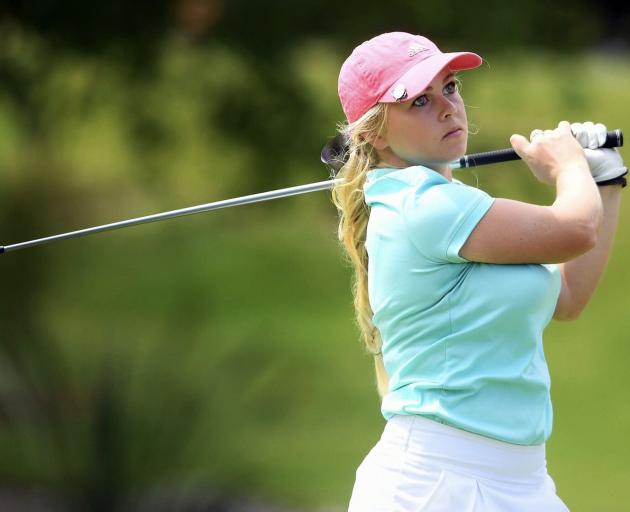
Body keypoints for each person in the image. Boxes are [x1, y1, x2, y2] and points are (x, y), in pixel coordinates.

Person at [330, 31, 626, 511]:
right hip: (434, 483)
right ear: (374, 132)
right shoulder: (421, 205)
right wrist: (568, 166)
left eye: (450, 88)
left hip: (521, 480)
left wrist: (605, 179)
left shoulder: (453, 209)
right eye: (420, 101)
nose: (448, 108)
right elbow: (575, 229)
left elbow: (568, 298)